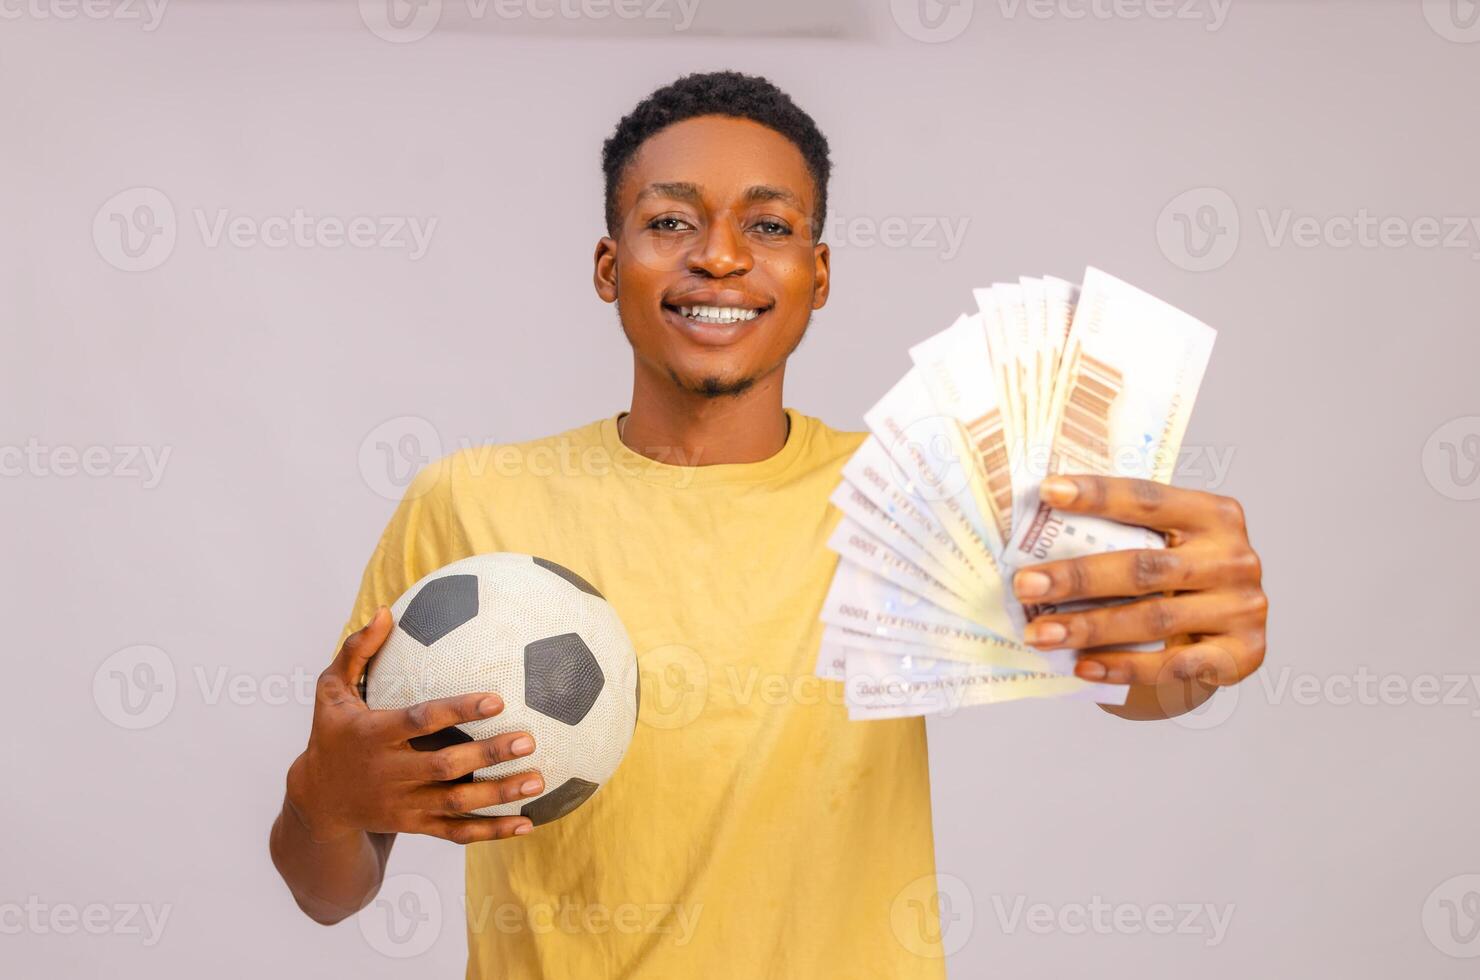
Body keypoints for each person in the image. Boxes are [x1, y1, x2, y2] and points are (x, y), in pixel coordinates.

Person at [268, 70, 1268, 977]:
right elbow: (330, 886)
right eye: (669, 222)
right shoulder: (469, 504)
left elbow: (1125, 670)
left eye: (769, 225)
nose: (718, 256)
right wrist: (323, 793)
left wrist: (1191, 653)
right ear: (608, 266)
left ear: (817, 276)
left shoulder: (912, 495)